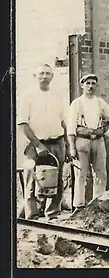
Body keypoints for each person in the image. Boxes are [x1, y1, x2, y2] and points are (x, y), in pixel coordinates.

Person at [17, 64, 70, 220]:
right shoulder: (28, 97)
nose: (44, 77)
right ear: (35, 76)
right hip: (34, 144)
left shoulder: (58, 96)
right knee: (32, 179)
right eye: (41, 74)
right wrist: (38, 145)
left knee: (57, 178)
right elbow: (23, 124)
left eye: (48, 74)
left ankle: (53, 214)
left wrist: (66, 144)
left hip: (57, 141)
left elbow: (63, 121)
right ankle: (32, 216)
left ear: (52, 77)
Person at [67, 73, 109, 211]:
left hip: (98, 140)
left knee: (101, 173)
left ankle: (99, 203)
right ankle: (79, 206)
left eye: (93, 83)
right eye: (87, 83)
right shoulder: (77, 103)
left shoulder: (99, 102)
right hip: (82, 141)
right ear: (82, 85)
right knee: (81, 174)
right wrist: (72, 146)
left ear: (96, 85)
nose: (90, 86)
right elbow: (71, 126)